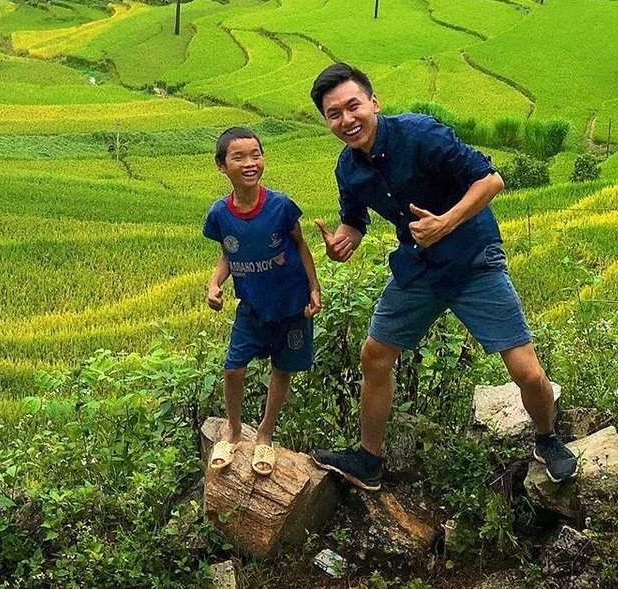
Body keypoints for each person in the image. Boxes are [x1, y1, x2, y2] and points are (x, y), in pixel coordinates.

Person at [305, 62, 577, 490]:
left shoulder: (421, 134)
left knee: (525, 371)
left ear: (374, 102)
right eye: (333, 114)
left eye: (352, 106)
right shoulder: (348, 169)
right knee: (374, 355)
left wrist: (445, 223)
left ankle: (548, 439)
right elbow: (354, 222)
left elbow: (491, 180)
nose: (346, 120)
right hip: (420, 265)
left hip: (472, 259)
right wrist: (344, 241)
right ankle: (368, 459)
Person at [203, 125, 323, 476]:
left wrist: (314, 288)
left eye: (256, 154)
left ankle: (266, 434)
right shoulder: (219, 214)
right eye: (238, 157)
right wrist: (214, 285)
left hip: (291, 303)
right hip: (252, 305)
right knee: (233, 367)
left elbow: (301, 246)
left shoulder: (281, 205)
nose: (250, 162)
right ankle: (234, 429)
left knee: (282, 368)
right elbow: (227, 254)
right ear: (221, 166)